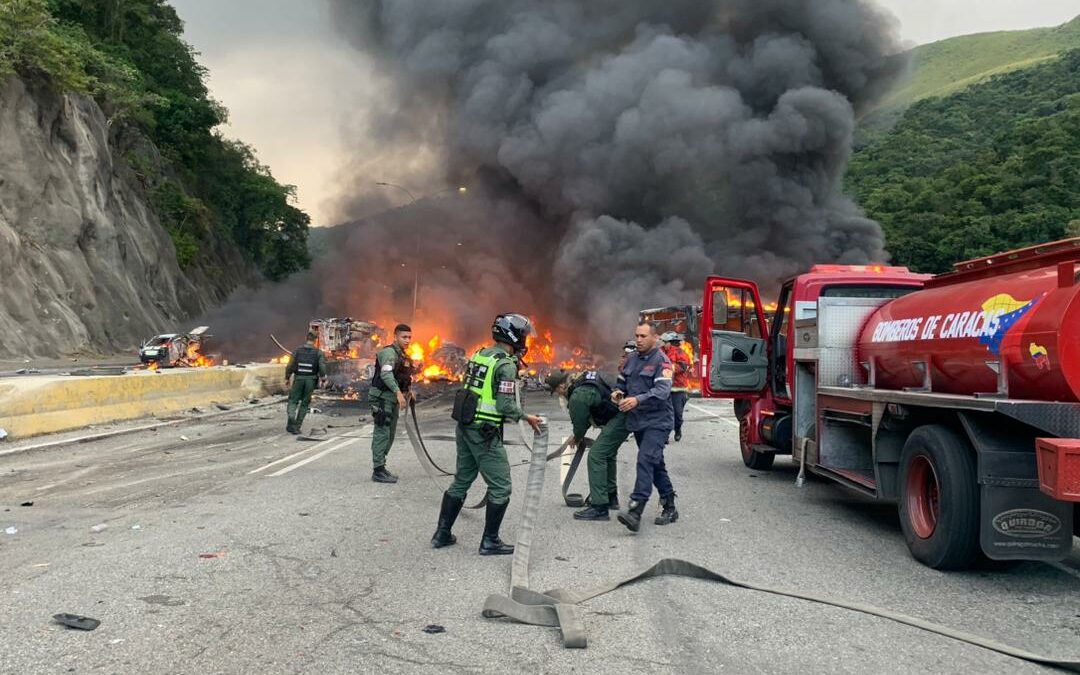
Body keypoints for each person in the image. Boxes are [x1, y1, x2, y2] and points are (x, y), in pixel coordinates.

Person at [431, 313, 544, 555]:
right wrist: (526, 417)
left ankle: (442, 534)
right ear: (513, 335)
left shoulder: (481, 354)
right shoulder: (505, 364)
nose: (525, 340)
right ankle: (490, 541)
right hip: (484, 432)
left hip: (465, 426)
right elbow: (504, 405)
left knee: (461, 480)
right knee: (501, 487)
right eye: (523, 335)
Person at [614, 321, 679, 532]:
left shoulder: (662, 361)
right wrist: (617, 393)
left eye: (643, 336)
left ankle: (636, 509)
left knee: (645, 460)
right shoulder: (631, 359)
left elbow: (662, 391)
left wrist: (638, 400)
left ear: (654, 338)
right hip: (638, 422)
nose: (639, 340)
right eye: (637, 336)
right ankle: (669, 505)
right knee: (654, 463)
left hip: (658, 421)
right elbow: (621, 382)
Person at [545, 368, 627, 521]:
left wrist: (576, 437)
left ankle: (599, 507)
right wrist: (578, 435)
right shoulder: (583, 380)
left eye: (557, 391)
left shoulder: (577, 395)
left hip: (621, 418)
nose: (559, 395)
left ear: (562, 387)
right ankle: (610, 497)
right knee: (607, 453)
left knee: (596, 455)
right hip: (621, 415)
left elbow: (580, 422)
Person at [368, 324, 415, 484]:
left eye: (409, 337)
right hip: (382, 398)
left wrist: (408, 391)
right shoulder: (389, 353)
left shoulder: (403, 355)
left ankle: (381, 465)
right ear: (395, 336)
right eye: (404, 337)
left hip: (391, 399)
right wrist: (397, 393)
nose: (407, 340)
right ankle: (378, 470)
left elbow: (403, 376)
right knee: (382, 432)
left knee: (390, 433)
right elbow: (386, 374)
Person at [285, 332, 327, 434]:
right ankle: (297, 426)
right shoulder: (318, 352)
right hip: (310, 381)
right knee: (304, 404)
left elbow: (290, 365)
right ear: (316, 340)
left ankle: (291, 417)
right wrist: (323, 378)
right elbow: (322, 367)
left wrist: (287, 377)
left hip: (298, 379)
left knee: (293, 401)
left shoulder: (297, 351)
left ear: (306, 338)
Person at [661, 332, 693, 442]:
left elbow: (683, 366)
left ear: (670, 343)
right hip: (664, 387)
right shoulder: (660, 351)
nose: (663, 344)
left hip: (678, 388)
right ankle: (665, 435)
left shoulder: (680, 352)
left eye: (665, 342)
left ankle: (678, 428)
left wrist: (670, 368)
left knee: (677, 413)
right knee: (664, 412)